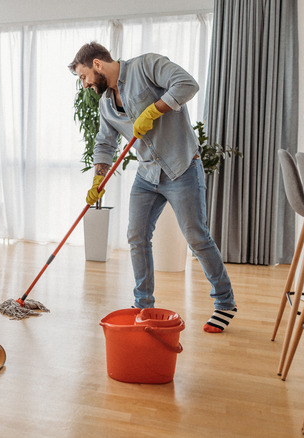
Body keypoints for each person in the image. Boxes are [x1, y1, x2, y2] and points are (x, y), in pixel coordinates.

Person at [68, 42, 237, 333]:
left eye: (83, 77)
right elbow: (105, 143)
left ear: (97, 65)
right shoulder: (106, 102)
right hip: (147, 174)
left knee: (197, 237)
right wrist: (98, 177)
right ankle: (143, 304)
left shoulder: (146, 66)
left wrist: (154, 110)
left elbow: (187, 84)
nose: (84, 85)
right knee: (136, 236)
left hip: (181, 165)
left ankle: (224, 302)